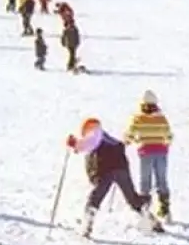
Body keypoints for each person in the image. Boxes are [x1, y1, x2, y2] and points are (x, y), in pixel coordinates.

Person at [66, 118, 164, 237]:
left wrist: (76, 144)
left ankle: (87, 225)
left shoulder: (96, 132)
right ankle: (151, 220)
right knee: (132, 198)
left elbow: (89, 143)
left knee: (96, 197)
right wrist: (77, 146)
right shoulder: (106, 138)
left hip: (108, 170)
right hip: (121, 168)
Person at [124, 90, 174, 221]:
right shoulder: (161, 118)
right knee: (161, 180)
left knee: (145, 181)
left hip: (146, 153)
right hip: (161, 152)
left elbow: (130, 134)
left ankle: (145, 209)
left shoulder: (138, 119)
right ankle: (165, 210)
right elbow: (169, 135)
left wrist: (128, 142)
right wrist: (165, 144)